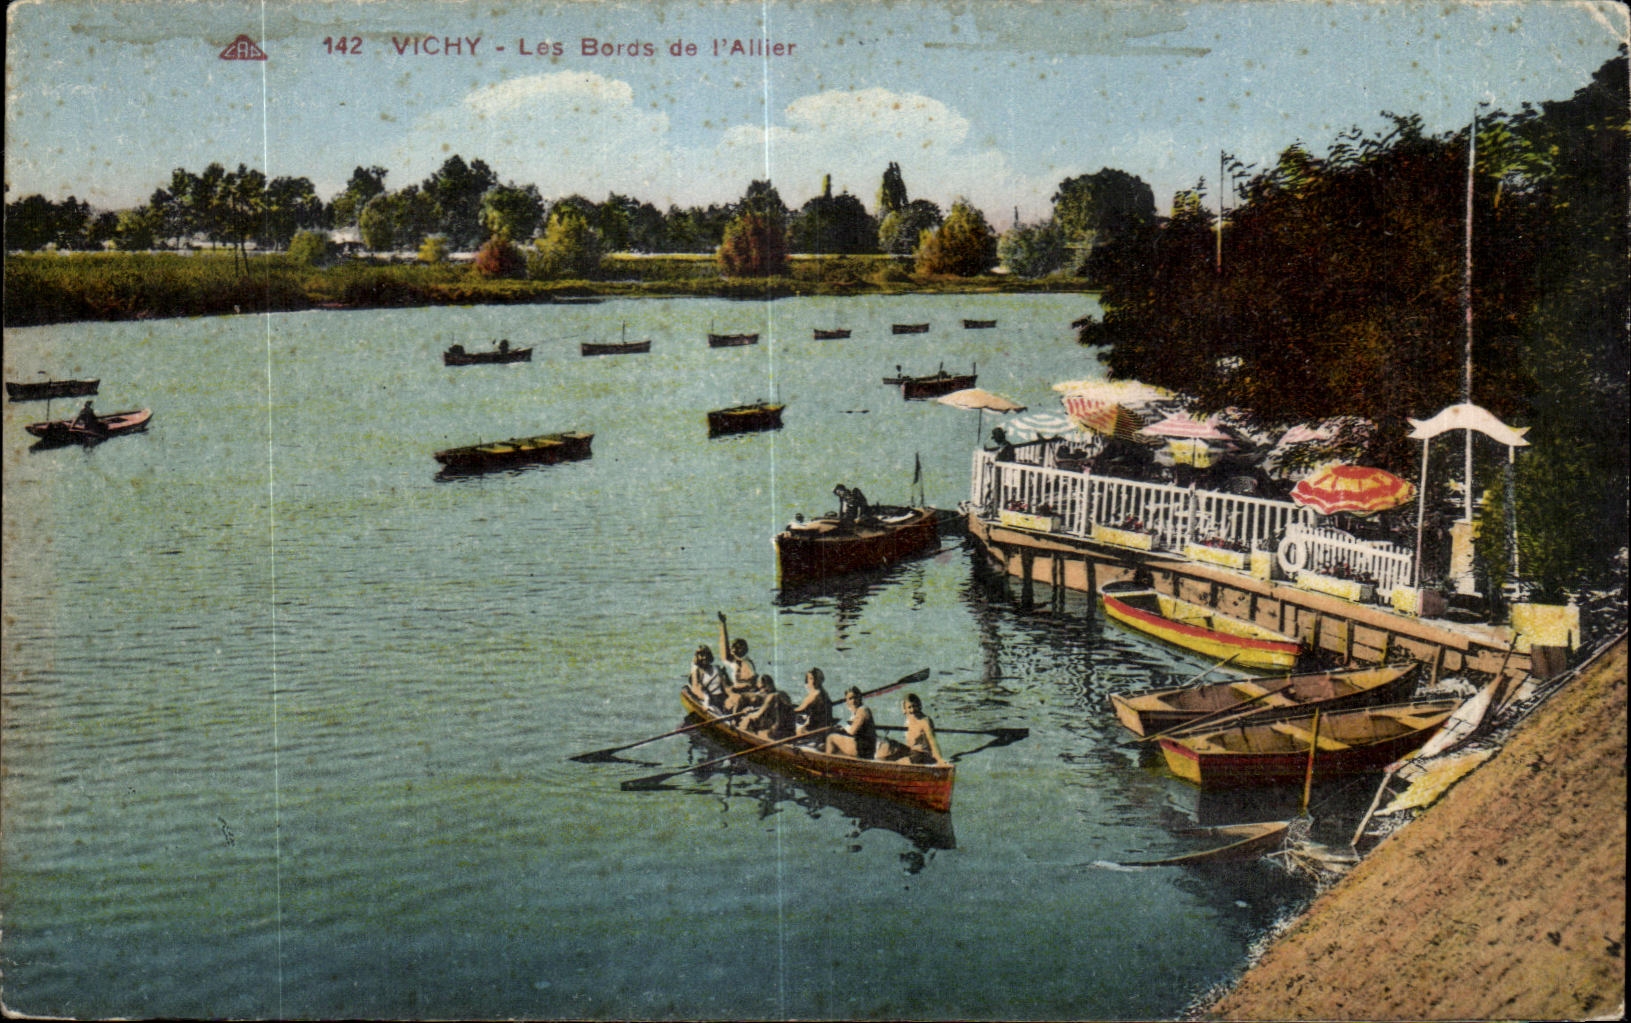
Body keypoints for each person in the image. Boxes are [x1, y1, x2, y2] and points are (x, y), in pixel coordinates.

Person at [875, 693, 947, 765]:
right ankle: (877, 761)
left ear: (919, 706)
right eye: (909, 707)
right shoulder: (908, 720)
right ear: (905, 709)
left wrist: (940, 760)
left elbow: (932, 741)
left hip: (923, 754)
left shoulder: (925, 721)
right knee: (889, 745)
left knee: (901, 761)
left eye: (914, 706)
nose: (912, 710)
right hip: (911, 751)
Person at [717, 612, 759, 711]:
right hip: (737, 691)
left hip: (745, 695)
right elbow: (724, 651)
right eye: (734, 647)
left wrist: (734, 689)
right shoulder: (736, 660)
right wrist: (723, 625)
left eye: (738, 648)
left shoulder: (747, 664)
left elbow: (751, 685)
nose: (734, 650)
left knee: (729, 703)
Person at [824, 686, 876, 759]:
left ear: (860, 698)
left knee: (831, 738)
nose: (853, 701)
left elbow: (852, 731)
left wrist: (843, 724)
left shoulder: (862, 711)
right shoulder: (858, 711)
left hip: (863, 749)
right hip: (865, 747)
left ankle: (827, 762)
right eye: (850, 699)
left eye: (855, 697)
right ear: (847, 701)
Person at [741, 675, 795, 740]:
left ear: (766, 687)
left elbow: (757, 715)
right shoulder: (783, 694)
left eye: (761, 688)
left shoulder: (771, 697)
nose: (760, 692)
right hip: (792, 732)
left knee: (749, 720)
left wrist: (748, 715)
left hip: (779, 734)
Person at [794, 668, 835, 732]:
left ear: (820, 680)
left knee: (794, 730)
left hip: (817, 727)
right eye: (810, 678)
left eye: (813, 678)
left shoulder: (816, 694)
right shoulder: (822, 692)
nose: (812, 681)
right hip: (821, 723)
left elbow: (801, 709)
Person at [688, 645, 726, 710]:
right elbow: (695, 688)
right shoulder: (697, 671)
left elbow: (725, 687)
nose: (705, 657)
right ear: (697, 657)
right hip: (710, 699)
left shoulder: (717, 668)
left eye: (707, 655)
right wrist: (706, 698)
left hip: (721, 698)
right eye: (702, 655)